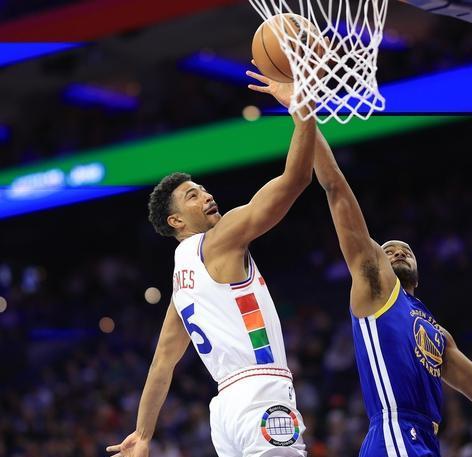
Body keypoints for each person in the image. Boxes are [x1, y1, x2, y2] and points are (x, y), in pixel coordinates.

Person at [247, 69, 472, 457]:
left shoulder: (436, 332)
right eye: (389, 250)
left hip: (424, 440)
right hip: (395, 432)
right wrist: (302, 110)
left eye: (406, 250)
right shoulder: (375, 285)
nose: (398, 252)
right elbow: (335, 188)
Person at [106, 102, 316, 457]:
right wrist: (303, 111)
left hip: (224, 411)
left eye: (203, 189)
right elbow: (296, 180)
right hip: (261, 391)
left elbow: (162, 363)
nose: (207, 195)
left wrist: (143, 434)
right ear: (176, 221)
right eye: (193, 195)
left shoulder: (181, 285)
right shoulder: (218, 240)